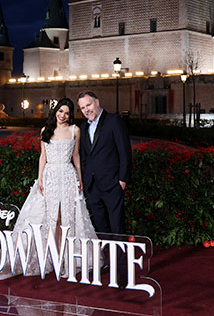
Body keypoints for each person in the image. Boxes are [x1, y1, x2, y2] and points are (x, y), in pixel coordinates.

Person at [0, 98, 98, 279]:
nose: (62, 115)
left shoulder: (75, 130)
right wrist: (40, 179)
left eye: (66, 113)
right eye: (60, 111)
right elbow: (42, 156)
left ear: (70, 115)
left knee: (67, 219)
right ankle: (49, 256)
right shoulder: (45, 131)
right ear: (55, 111)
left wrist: (80, 178)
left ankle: (65, 260)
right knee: (50, 218)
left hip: (68, 176)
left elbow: (76, 156)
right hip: (49, 177)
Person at [77, 90, 131, 285]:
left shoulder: (114, 121)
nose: (86, 110)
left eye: (88, 105)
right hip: (92, 187)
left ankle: (122, 274)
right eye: (82, 108)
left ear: (97, 102)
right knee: (102, 229)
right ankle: (109, 264)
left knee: (117, 229)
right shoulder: (83, 127)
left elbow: (125, 152)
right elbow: (84, 156)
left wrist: (122, 180)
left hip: (112, 184)